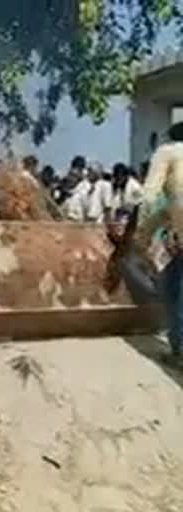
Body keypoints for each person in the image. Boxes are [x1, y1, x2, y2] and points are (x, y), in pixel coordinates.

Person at [135, 122, 183, 363]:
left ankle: (180, 351)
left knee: (175, 291)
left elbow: (150, 195)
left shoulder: (166, 153)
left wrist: (141, 234)